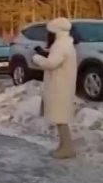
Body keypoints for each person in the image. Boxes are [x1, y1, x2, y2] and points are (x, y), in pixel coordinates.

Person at [31, 17, 78, 159]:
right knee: (60, 117)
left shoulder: (61, 45)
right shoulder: (64, 44)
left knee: (61, 117)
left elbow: (51, 64)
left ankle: (67, 148)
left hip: (60, 86)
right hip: (60, 84)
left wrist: (36, 58)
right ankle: (64, 145)